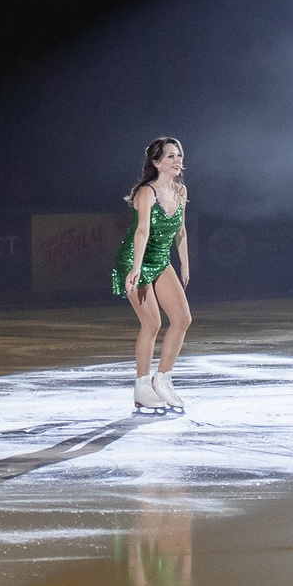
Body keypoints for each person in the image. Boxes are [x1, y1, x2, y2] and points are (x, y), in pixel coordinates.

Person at [111, 136, 191, 414]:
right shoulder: (146, 192)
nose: (177, 160)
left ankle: (163, 380)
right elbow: (142, 231)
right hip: (136, 259)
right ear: (156, 163)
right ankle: (142, 386)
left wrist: (184, 265)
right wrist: (135, 268)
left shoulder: (180, 191)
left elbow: (181, 232)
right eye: (170, 156)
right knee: (152, 323)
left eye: (179, 155)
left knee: (182, 319)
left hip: (160, 260)